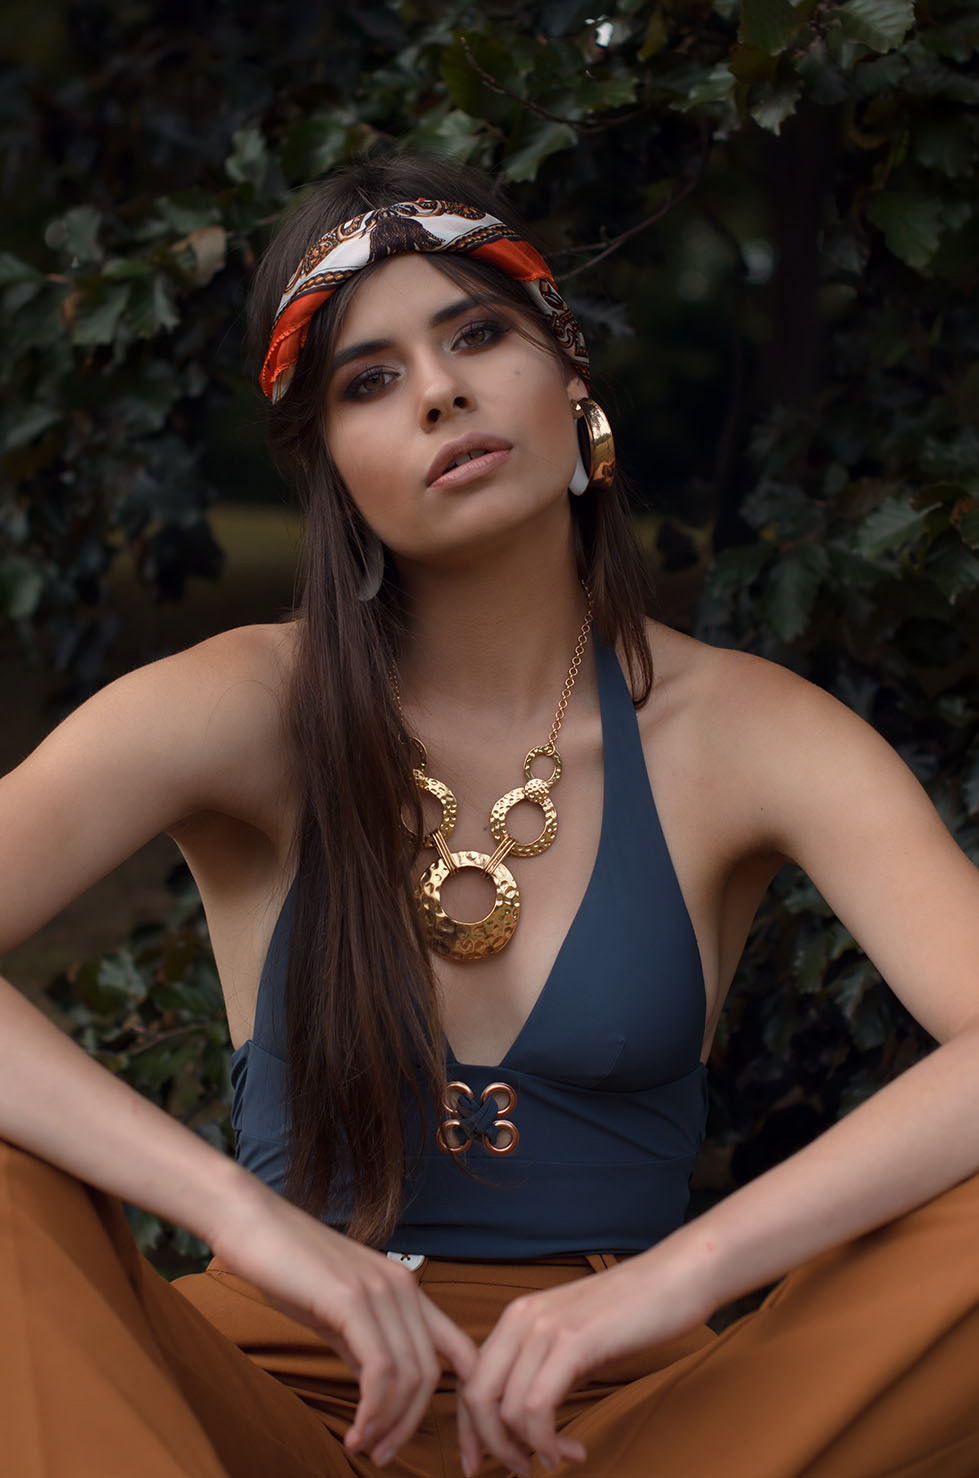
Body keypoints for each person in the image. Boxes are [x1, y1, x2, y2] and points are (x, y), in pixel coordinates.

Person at [1, 152, 978, 1478]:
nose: (439, 391)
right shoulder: (242, 704)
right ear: (330, 466)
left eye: (476, 335)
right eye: (370, 380)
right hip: (267, 1414)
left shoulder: (747, 731)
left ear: (569, 372)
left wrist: (686, 1271)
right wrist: (242, 1214)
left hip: (635, 1427)